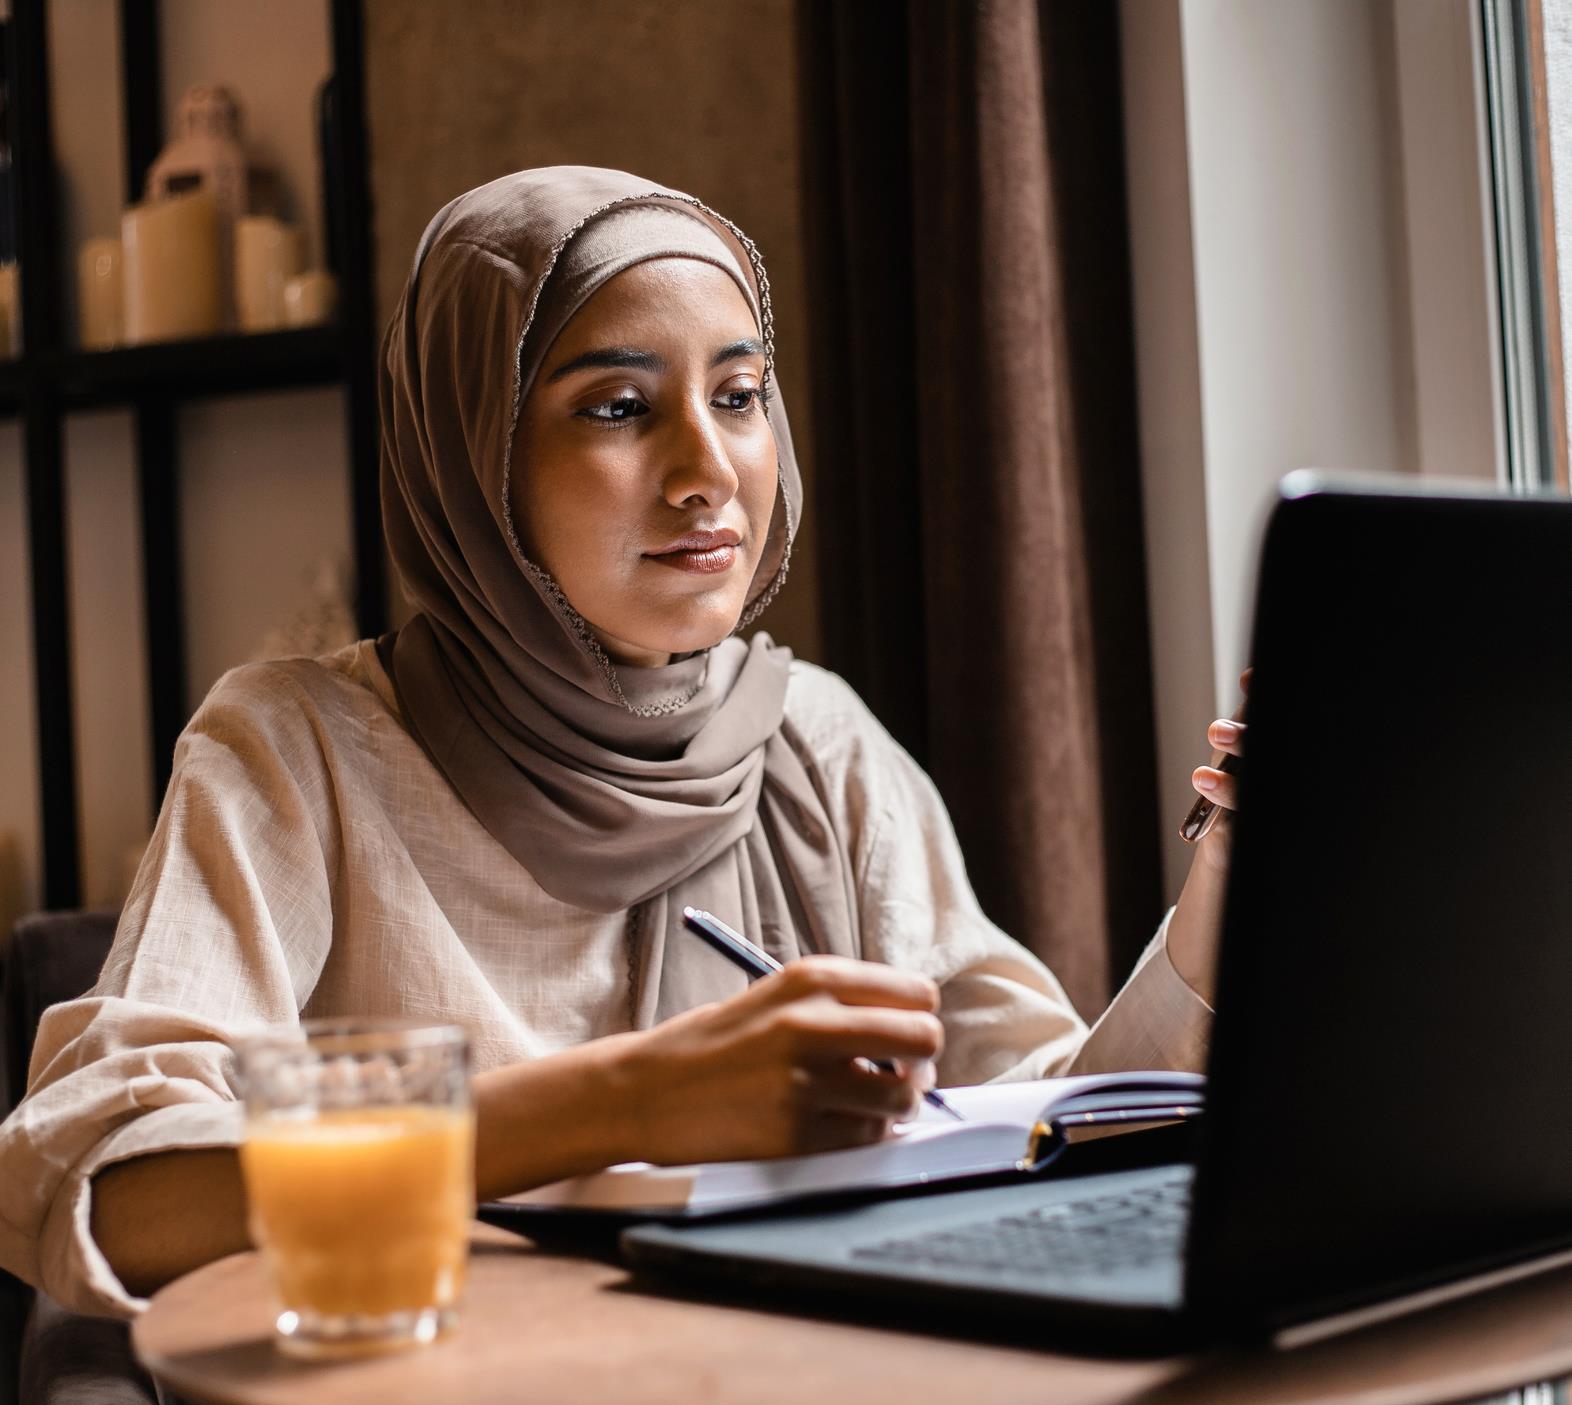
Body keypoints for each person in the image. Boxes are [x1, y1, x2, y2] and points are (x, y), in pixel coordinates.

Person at [0, 166, 1243, 1320]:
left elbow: (1052, 1118)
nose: (709, 470)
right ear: (473, 453)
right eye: (619, 405)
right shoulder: (299, 751)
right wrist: (627, 1100)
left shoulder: (819, 743)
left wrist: (1231, 875)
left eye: (741, 396)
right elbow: (113, 1187)